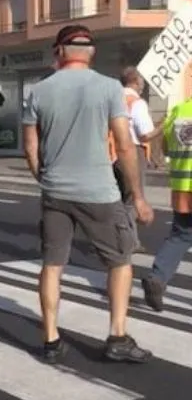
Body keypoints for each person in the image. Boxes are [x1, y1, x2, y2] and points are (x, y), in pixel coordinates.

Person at [21, 25, 153, 364]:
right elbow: (124, 145)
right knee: (120, 262)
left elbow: (31, 147)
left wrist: (44, 177)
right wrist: (137, 196)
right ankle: (117, 336)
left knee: (52, 265)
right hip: (100, 192)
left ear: (60, 52)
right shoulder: (109, 88)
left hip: (55, 192)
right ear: (90, 52)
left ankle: (51, 340)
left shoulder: (38, 91)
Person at [142, 94, 192, 312]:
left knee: (180, 235)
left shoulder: (178, 111)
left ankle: (158, 276)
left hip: (182, 187)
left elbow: (165, 148)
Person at [111, 67, 160, 253]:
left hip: (111, 153)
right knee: (131, 198)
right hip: (131, 152)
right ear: (135, 81)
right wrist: (164, 124)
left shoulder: (114, 97)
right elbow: (145, 135)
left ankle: (117, 237)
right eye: (142, 81)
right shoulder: (136, 102)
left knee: (118, 198)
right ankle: (129, 241)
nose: (143, 85)